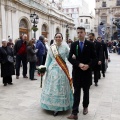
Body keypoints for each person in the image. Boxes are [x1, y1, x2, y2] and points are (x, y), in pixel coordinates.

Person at [40, 33, 73, 116]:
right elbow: (48, 60)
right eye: (56, 37)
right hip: (52, 70)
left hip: (62, 70)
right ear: (54, 38)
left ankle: (60, 106)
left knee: (60, 88)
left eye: (60, 37)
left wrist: (76, 61)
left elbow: (69, 57)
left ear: (62, 38)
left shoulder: (65, 47)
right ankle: (51, 105)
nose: (58, 38)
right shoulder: (52, 48)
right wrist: (44, 69)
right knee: (52, 87)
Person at [67, 27, 96, 119]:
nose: (79, 34)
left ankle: (85, 106)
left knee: (86, 91)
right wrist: (79, 64)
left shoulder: (90, 44)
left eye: (81, 32)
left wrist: (88, 65)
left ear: (85, 33)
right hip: (77, 71)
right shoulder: (74, 44)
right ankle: (74, 112)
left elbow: (94, 58)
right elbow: (69, 58)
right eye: (78, 32)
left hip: (87, 72)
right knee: (76, 92)